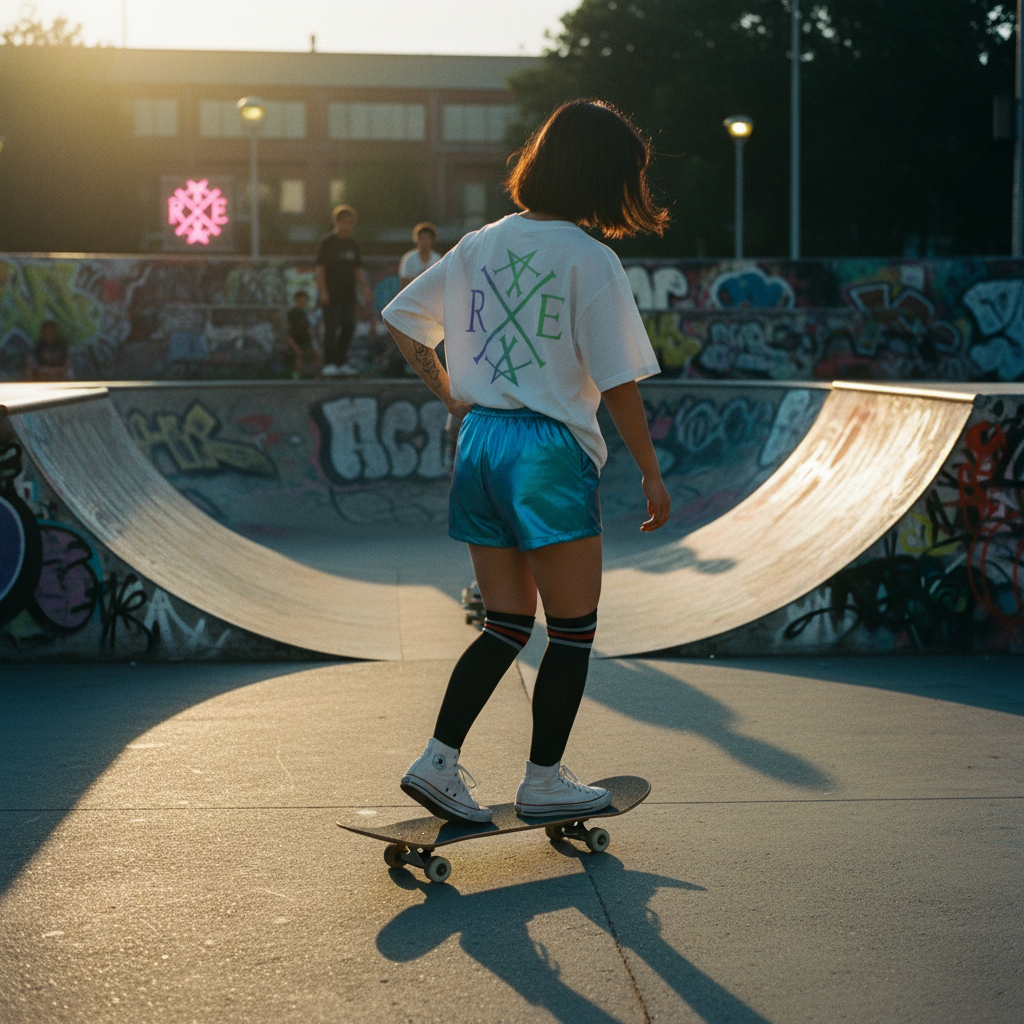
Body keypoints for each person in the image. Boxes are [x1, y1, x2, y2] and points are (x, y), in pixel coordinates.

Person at [381, 99, 672, 823]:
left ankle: (438, 762)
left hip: (479, 441)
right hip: (546, 450)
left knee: (506, 624)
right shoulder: (590, 258)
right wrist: (650, 470)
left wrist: (452, 395)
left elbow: (402, 319)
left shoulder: (480, 243)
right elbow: (618, 381)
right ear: (604, 179)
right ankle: (544, 781)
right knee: (572, 630)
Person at [315, 204, 373, 376]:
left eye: (349, 222)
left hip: (348, 294)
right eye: (343, 222)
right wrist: (323, 291)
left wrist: (365, 289)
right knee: (331, 328)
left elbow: (357, 269)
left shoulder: (352, 244)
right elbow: (320, 269)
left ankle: (340, 363)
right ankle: (329, 364)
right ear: (336, 222)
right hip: (331, 293)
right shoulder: (327, 242)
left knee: (349, 327)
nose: (346, 226)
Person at [284, 290, 320, 377]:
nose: (303, 303)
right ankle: (296, 379)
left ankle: (317, 379)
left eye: (305, 301)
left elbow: (308, 329)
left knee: (317, 355)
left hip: (305, 342)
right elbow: (287, 334)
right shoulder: (291, 314)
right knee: (298, 357)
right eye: (301, 301)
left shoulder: (304, 314)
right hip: (294, 342)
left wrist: (314, 335)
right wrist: (295, 347)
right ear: (296, 300)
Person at [398, 221, 442, 289]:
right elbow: (404, 281)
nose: (424, 242)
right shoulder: (409, 258)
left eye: (427, 239)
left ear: (432, 240)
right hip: (413, 294)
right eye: (422, 238)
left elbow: (440, 280)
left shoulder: (437, 258)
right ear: (416, 239)